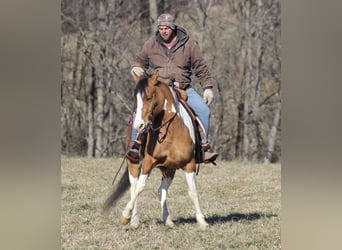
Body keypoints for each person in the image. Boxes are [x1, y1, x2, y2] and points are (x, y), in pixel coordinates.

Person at [126, 13, 218, 163]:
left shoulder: (189, 45)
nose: (163, 31)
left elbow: (200, 66)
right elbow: (139, 60)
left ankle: (203, 148)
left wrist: (207, 87)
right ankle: (134, 146)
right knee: (140, 110)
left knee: (204, 111)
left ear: (173, 28)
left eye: (166, 28)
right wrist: (136, 68)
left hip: (182, 88)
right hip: (157, 88)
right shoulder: (151, 44)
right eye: (161, 28)